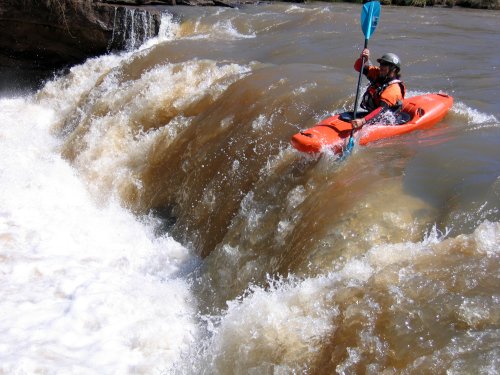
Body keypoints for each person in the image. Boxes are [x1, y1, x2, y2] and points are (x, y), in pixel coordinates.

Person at [351, 48, 406, 129]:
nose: (381, 67)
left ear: (393, 69)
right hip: (373, 114)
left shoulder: (394, 88)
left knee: (382, 113)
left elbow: (381, 110)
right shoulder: (378, 73)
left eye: (385, 64)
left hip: (386, 119)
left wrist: (362, 121)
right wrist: (363, 59)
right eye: (381, 64)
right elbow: (358, 67)